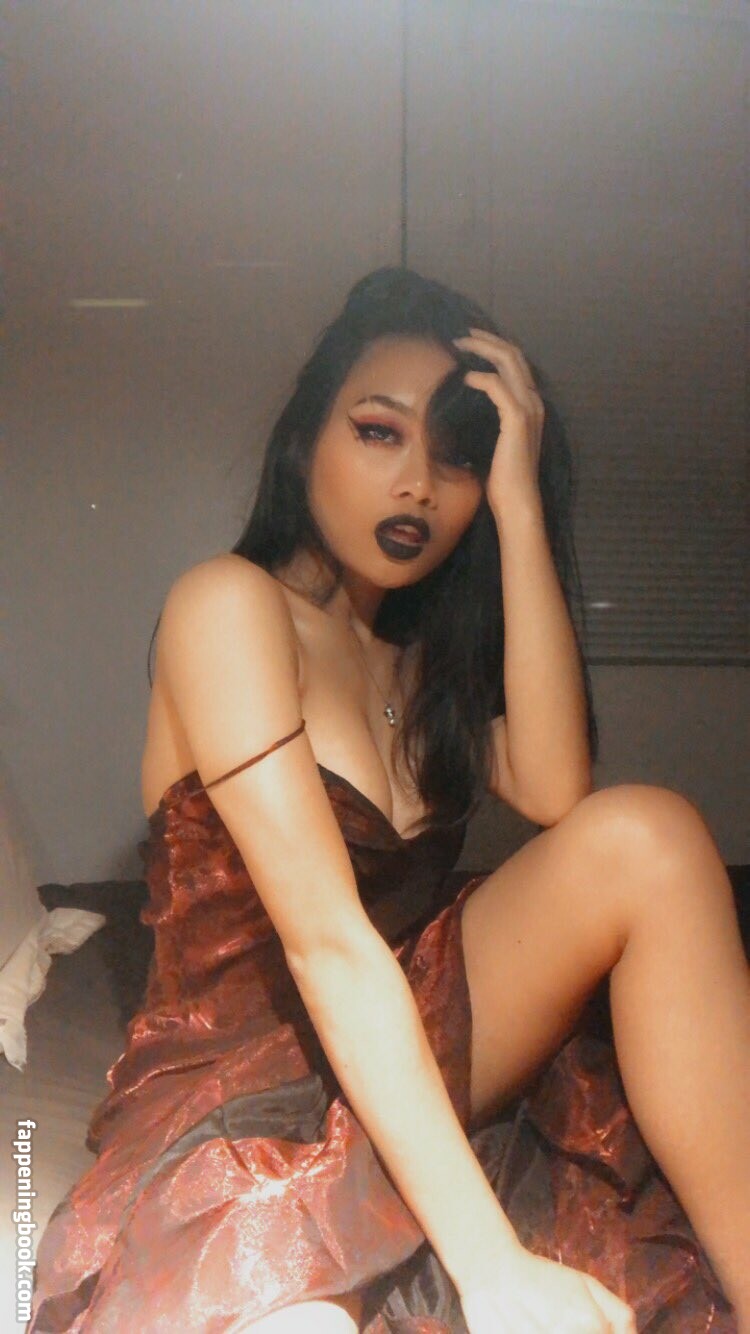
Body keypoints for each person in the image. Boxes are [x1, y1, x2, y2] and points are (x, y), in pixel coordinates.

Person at [28, 267, 749, 1333]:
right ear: (305, 441)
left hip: (405, 1038)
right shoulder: (226, 605)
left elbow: (559, 787)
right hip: (237, 1091)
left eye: (456, 456)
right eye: (379, 432)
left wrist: (518, 502)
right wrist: (493, 1265)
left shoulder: (413, 659)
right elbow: (327, 945)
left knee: (651, 835)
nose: (418, 485)